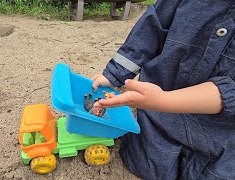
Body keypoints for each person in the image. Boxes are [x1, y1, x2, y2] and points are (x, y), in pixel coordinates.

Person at [91, 0, 235, 179]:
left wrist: (164, 100)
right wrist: (114, 74)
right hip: (158, 115)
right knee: (146, 164)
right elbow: (150, 30)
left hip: (221, 127)